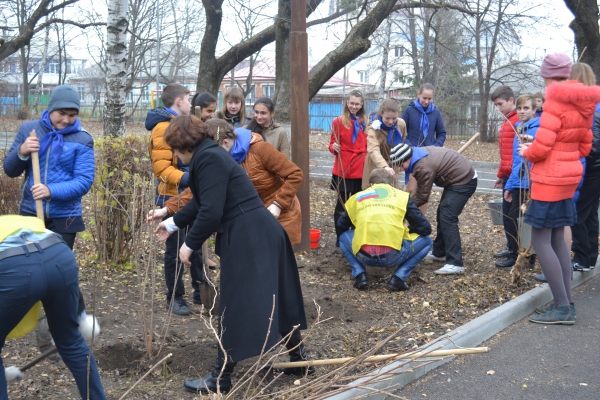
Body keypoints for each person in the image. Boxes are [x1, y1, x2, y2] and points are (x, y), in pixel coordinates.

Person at [154, 115, 312, 394]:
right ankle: (298, 360)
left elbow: (211, 212)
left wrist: (189, 245)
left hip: (249, 235)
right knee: (279, 295)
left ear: (184, 144)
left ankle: (220, 376)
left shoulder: (209, 159)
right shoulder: (209, 156)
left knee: (234, 304)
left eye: (176, 150)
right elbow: (203, 201)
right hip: (258, 231)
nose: (176, 157)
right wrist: (171, 222)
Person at [3, 84, 93, 334]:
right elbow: (10, 171)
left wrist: (51, 191)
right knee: (30, 272)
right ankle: (28, 321)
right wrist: (22, 152)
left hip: (66, 217)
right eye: (61, 113)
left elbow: (84, 181)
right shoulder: (29, 130)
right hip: (31, 215)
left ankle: (72, 322)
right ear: (50, 108)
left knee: (60, 271)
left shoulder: (83, 138)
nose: (66, 120)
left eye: (72, 115)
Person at [521, 54, 600, 325]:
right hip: (569, 176)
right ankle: (566, 302)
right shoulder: (585, 101)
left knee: (541, 240)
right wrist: (561, 154)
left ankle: (563, 307)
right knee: (557, 240)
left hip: (550, 179)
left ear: (547, 74)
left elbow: (542, 147)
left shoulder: (555, 100)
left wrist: (527, 151)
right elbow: (584, 144)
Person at [0, 215, 106, 400]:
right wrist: (79, 314)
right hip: (59, 254)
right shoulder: (12, 222)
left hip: (14, 266)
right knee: (71, 341)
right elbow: (44, 259)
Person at [151, 119, 303, 245]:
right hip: (252, 219)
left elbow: (294, 174)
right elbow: (198, 190)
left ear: (225, 142)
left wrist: (278, 204)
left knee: (275, 268)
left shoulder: (260, 150)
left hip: (280, 216)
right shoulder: (220, 161)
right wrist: (168, 209)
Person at [146, 83, 204, 316]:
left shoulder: (188, 124)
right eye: (188, 100)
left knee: (196, 244)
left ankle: (200, 289)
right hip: (171, 195)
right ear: (179, 101)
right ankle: (175, 296)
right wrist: (192, 179)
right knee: (175, 248)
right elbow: (161, 169)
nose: (191, 105)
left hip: (193, 193)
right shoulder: (162, 128)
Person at [337, 168, 432, 291]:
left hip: (363, 255)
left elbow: (340, 226)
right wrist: (408, 229)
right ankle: (398, 278)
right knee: (427, 241)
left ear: (371, 184)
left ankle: (360, 274)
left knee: (343, 236)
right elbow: (425, 228)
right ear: (391, 184)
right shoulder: (402, 197)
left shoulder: (357, 197)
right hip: (393, 256)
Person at [392, 143, 477, 275]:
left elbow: (422, 196)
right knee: (442, 213)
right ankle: (440, 252)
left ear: (406, 159)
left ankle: (455, 263)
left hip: (464, 180)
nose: (400, 170)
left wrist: (402, 209)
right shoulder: (416, 155)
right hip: (455, 179)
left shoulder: (423, 166)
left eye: (401, 166)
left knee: (447, 217)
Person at [498, 94, 540, 269]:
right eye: (520, 108)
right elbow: (517, 163)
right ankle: (517, 254)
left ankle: (526, 257)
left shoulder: (537, 130)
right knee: (513, 218)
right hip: (518, 182)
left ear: (534, 110)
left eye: (526, 108)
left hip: (529, 183)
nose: (522, 111)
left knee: (523, 221)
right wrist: (509, 185)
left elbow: (533, 159)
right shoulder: (519, 128)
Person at [568, 62, 600, 274]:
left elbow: (593, 142)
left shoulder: (586, 105)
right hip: (595, 166)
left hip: (590, 167)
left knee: (578, 212)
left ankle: (582, 256)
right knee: (589, 214)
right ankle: (589, 258)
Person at [329, 89, 367, 246]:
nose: (354, 106)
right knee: (342, 205)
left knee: (359, 204)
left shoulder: (366, 122)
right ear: (347, 102)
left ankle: (355, 236)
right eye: (351, 103)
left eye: (357, 104)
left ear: (362, 104)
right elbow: (332, 143)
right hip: (343, 169)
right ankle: (341, 237)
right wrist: (334, 147)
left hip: (360, 169)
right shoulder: (338, 121)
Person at [490, 85, 520, 265]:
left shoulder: (517, 121)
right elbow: (505, 154)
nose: (498, 109)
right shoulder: (506, 121)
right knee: (507, 216)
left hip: (518, 178)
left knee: (515, 216)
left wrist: (512, 177)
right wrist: (501, 175)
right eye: (496, 105)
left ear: (511, 100)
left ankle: (520, 254)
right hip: (509, 176)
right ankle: (512, 248)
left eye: (500, 104)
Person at [362, 98, 406, 189]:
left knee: (391, 195)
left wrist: (402, 161)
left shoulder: (401, 124)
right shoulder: (373, 127)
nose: (391, 122)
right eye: (387, 118)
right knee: (373, 196)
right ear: (381, 114)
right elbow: (373, 150)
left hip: (392, 167)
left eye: (394, 118)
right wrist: (385, 166)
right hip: (375, 166)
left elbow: (403, 142)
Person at [402, 83, 447, 147]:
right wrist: (409, 146)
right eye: (424, 98)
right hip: (412, 151)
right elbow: (401, 132)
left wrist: (435, 147)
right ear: (419, 94)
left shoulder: (436, 112)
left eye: (429, 99)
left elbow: (442, 134)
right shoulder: (409, 110)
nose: (426, 101)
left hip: (430, 152)